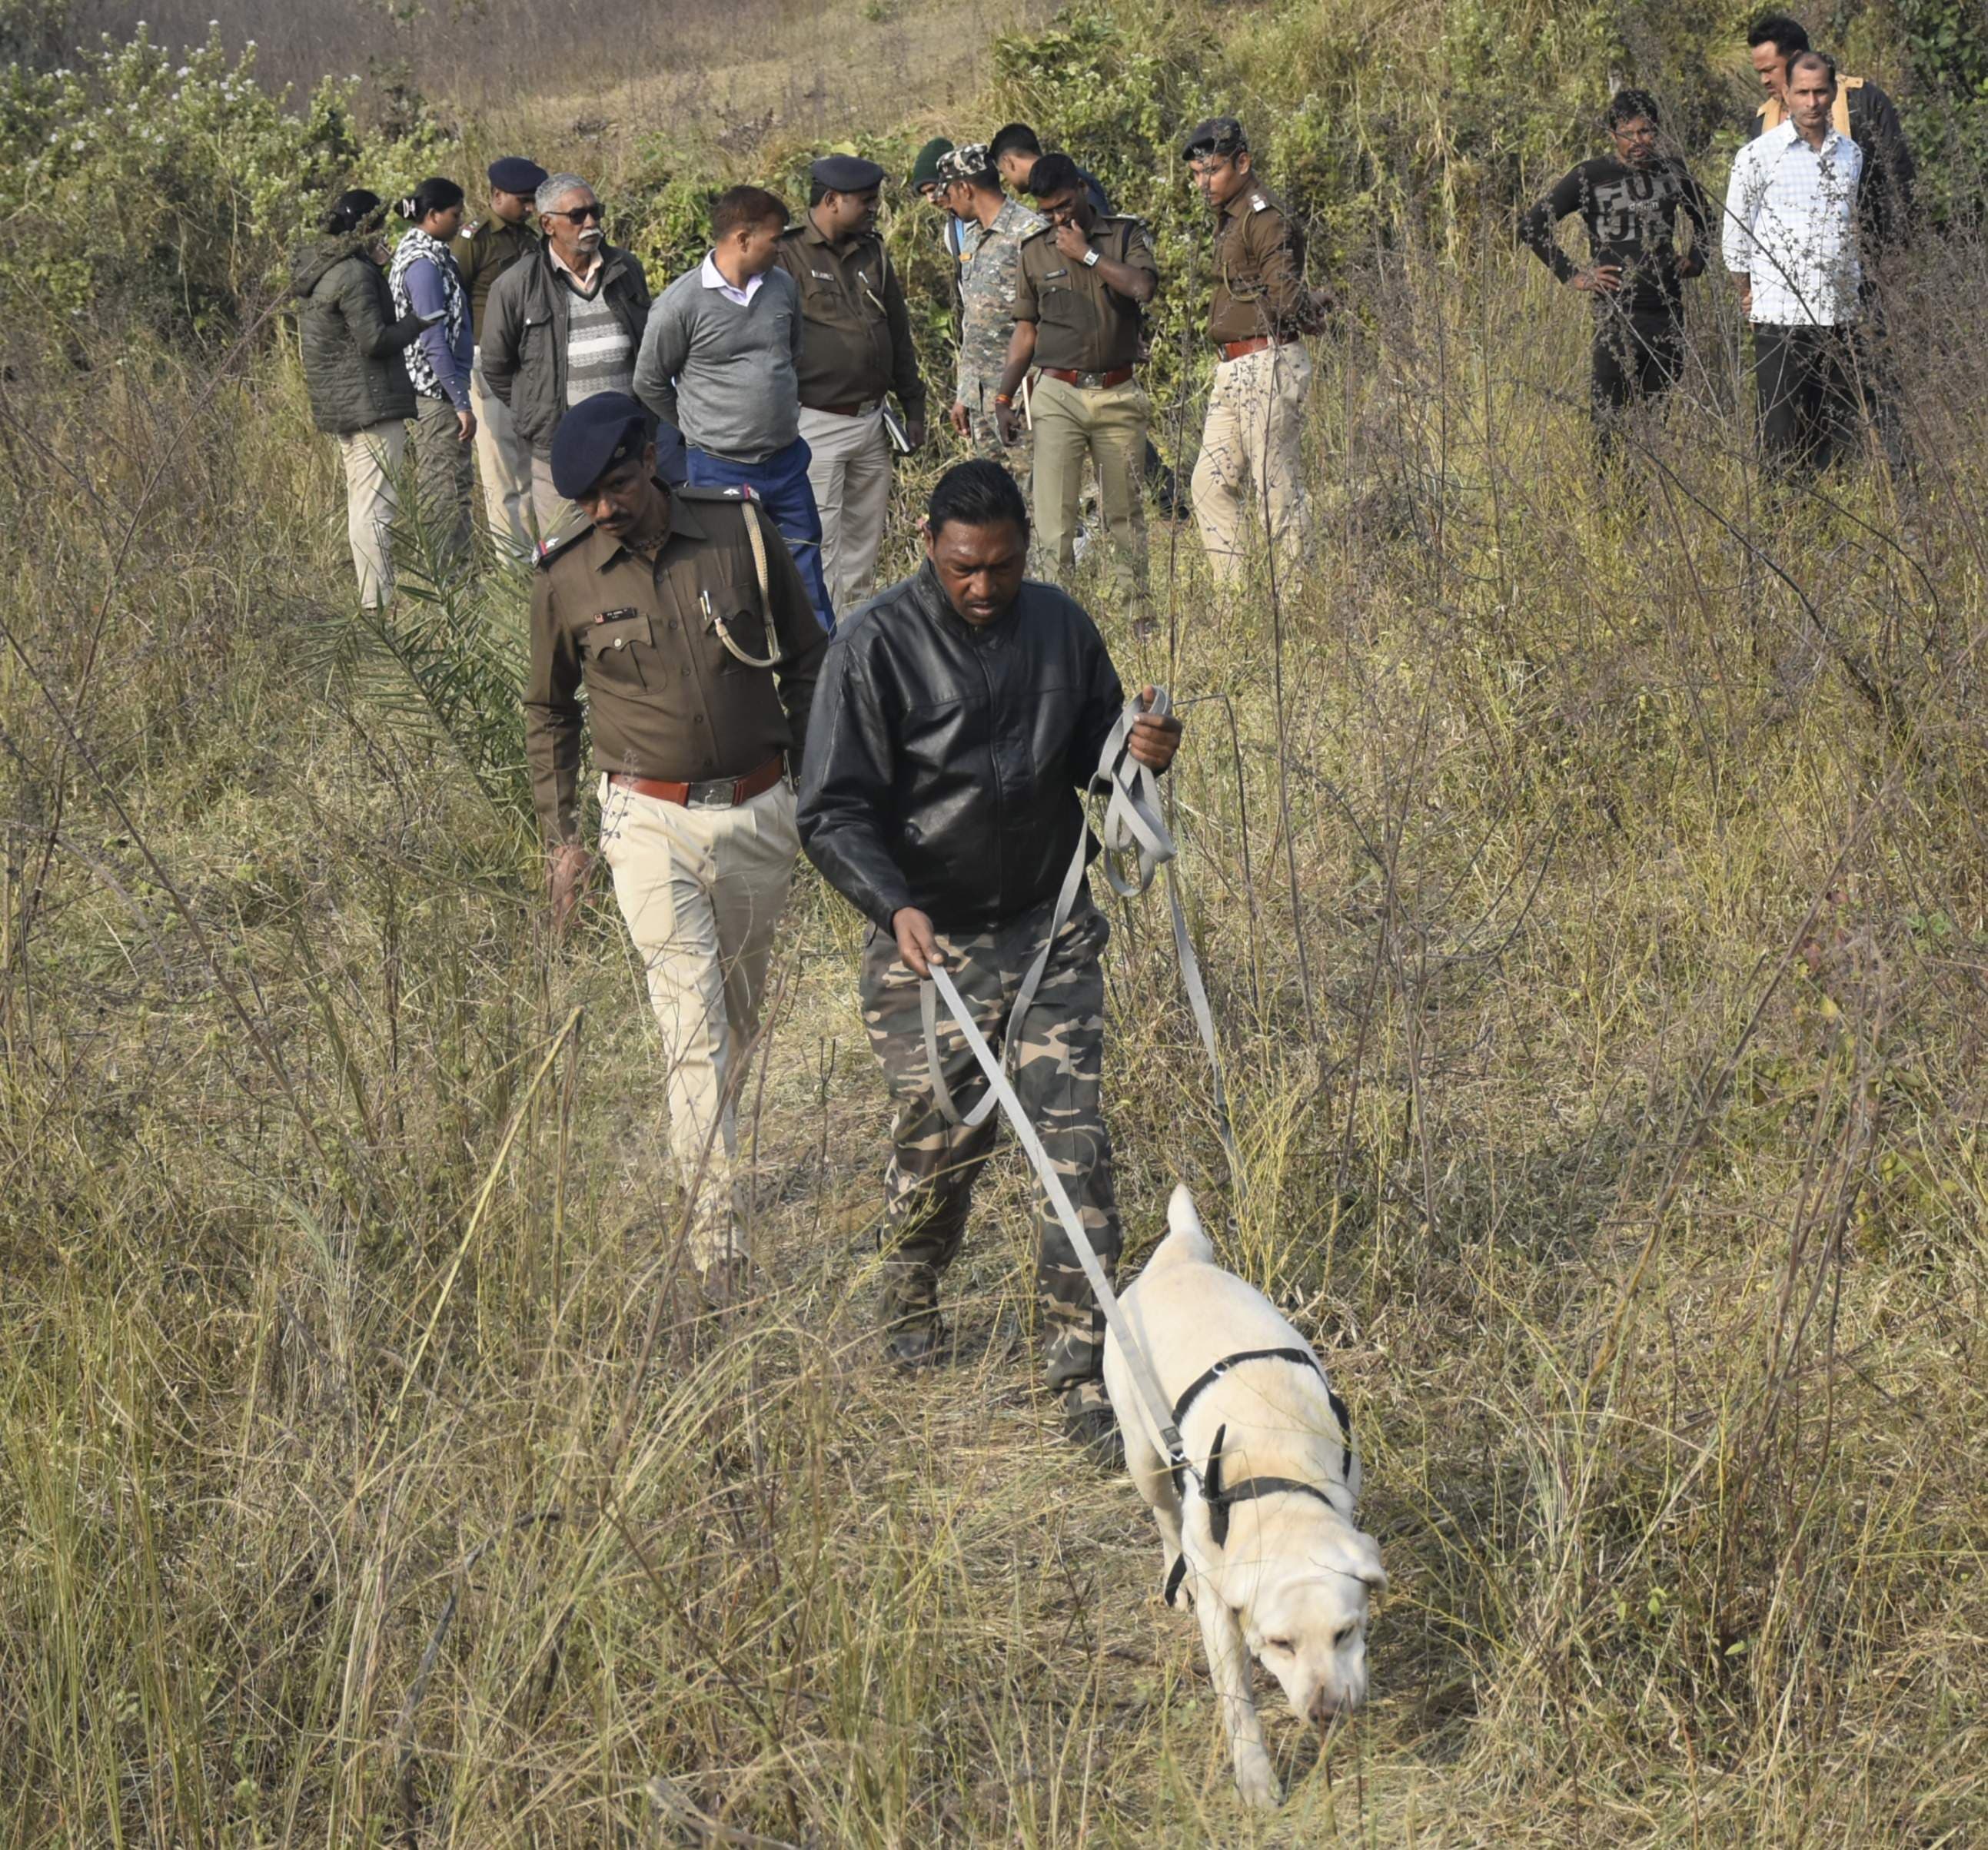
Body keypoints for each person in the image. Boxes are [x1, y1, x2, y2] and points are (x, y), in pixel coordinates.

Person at [796, 459, 1184, 1458]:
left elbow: (1097, 757)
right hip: (930, 947)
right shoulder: (873, 647)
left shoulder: (1059, 627)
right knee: (940, 1149)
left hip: (1050, 930)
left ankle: (1085, 1371)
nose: (982, 585)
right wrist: (893, 903)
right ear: (928, 543)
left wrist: (1141, 748)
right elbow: (830, 810)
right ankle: (907, 1295)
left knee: (1074, 1149)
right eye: (963, 566)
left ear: (1025, 550)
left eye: (1002, 566)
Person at [524, 394, 826, 1300]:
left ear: (651, 460)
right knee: (691, 1026)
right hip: (646, 822)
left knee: (735, 1019)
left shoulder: (739, 530)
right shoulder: (566, 576)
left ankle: (711, 1156)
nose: (605, 509)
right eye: (588, 500)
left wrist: (817, 778)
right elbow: (547, 710)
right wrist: (563, 839)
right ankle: (719, 1246)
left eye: (618, 486)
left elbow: (808, 656)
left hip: (758, 809)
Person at [636, 186, 836, 633]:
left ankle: (821, 667)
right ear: (743, 239)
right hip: (718, 469)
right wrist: (696, 427)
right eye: (775, 238)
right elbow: (648, 381)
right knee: (730, 581)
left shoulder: (782, 288)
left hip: (786, 462)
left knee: (805, 571)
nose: (781, 247)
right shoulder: (679, 304)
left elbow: (791, 355)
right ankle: (747, 667)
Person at [994, 154, 1159, 607]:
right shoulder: (1034, 251)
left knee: (1124, 513)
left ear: (1083, 189)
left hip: (1117, 393)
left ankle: (1138, 612)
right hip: (1058, 395)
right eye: (1047, 211)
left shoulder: (1124, 235)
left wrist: (1087, 254)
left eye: (1064, 205)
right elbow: (1025, 331)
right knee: (1055, 520)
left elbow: (1142, 288)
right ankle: (1058, 615)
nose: (1058, 218)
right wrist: (1004, 397)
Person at [771, 155, 927, 616]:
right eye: (867, 200)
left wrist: (914, 405)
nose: (875, 208)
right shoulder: (786, 255)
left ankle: (854, 638)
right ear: (832, 200)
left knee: (863, 549)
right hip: (816, 423)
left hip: (872, 421)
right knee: (819, 548)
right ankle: (822, 645)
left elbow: (897, 331)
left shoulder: (873, 251)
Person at [1519, 90, 1711, 452]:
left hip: (1667, 312)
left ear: (1657, 131)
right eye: (1628, 133)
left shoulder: (1673, 171)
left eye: (1646, 131)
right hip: (1616, 315)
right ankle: (1609, 486)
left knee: (1656, 418)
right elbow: (1531, 226)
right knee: (1609, 419)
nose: (1638, 141)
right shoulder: (1590, 175)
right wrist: (1573, 274)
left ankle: (1649, 485)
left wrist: (1695, 261)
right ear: (1612, 134)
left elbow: (1706, 219)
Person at [1180, 115, 1325, 591]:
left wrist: (1309, 308)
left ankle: (1295, 602)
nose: (1203, 183)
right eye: (1197, 174)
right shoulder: (1233, 217)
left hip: (1267, 363)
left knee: (1276, 490)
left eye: (1212, 171)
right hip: (1235, 367)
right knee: (1208, 485)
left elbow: (1285, 296)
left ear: (1242, 163)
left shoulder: (1263, 216)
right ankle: (1235, 601)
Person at [480, 173, 657, 543]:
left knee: (641, 547)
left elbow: (647, 343)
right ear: (548, 224)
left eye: (595, 212)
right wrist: (535, 409)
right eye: (577, 215)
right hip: (559, 449)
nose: (590, 223)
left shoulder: (626, 269)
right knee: (570, 552)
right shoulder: (517, 285)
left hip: (628, 445)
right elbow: (496, 366)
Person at [1724, 50, 1870, 478]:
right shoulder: (1757, 155)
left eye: (1820, 92)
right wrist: (1748, 294)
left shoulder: (1851, 155)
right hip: (1780, 316)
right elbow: (1735, 236)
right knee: (1780, 434)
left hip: (1840, 316)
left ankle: (1831, 512)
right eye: (1802, 92)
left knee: (1838, 434)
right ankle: (1779, 517)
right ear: (1786, 94)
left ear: (1834, 93)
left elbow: (1850, 228)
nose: (1812, 102)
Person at [291, 189, 433, 608]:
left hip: (344, 407)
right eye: (379, 227)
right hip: (372, 404)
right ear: (365, 228)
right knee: (377, 509)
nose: (385, 235)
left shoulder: (323, 270)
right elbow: (374, 341)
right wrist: (417, 323)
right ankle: (379, 604)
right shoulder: (354, 274)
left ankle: (372, 599)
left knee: (363, 505)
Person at [1745, 13, 1915, 260]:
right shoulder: (1763, 123)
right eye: (1759, 72)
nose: (1764, 80)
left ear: (1796, 59)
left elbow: (1897, 177)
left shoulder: (1863, 102)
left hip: (1866, 258)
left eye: (1770, 70)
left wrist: (1894, 252)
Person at [452, 155, 547, 553]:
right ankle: (513, 564)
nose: (529, 208)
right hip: (486, 361)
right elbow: (452, 299)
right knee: (501, 473)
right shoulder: (474, 240)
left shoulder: (528, 238)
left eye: (532, 201)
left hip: (527, 361)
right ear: (496, 195)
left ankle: (536, 556)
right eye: (523, 201)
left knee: (529, 468)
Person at [387, 178, 477, 568]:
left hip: (441, 389)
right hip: (436, 392)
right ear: (433, 215)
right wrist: (459, 400)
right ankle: (448, 575)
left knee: (453, 485)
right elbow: (432, 338)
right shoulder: (423, 264)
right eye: (455, 214)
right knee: (444, 489)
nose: (460, 221)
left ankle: (460, 571)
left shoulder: (433, 255)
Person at [939, 143, 1045, 463]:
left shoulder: (1029, 232)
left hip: (1022, 395)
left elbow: (1049, 316)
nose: (948, 203)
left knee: (1034, 485)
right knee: (993, 490)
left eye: (948, 193)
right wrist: (965, 393)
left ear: (964, 188)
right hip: (980, 397)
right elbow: (973, 319)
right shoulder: (972, 236)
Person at [989, 122, 1114, 218]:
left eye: (1003, 172)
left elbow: (1101, 229)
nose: (1006, 179)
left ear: (1008, 162)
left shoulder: (1066, 177)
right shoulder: (1047, 184)